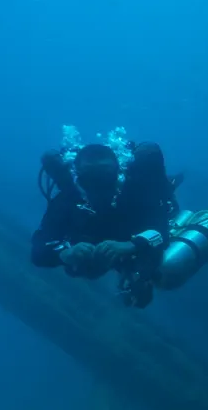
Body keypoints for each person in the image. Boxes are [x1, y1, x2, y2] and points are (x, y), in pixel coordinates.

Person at [31, 126, 182, 308]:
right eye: (90, 174)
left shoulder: (134, 192)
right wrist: (66, 253)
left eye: (104, 173)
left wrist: (130, 246)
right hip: (95, 248)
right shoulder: (67, 200)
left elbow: (161, 232)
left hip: (132, 242)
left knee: (146, 268)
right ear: (78, 176)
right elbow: (38, 250)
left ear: (118, 171)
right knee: (83, 269)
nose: (97, 181)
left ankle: (139, 279)